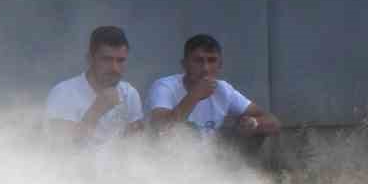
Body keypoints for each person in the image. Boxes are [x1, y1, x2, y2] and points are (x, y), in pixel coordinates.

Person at [147, 34, 281, 139]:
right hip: (165, 162)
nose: (205, 68)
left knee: (253, 136)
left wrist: (254, 123)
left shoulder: (224, 90)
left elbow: (274, 122)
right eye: (198, 61)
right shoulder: (164, 86)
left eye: (212, 61)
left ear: (220, 65)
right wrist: (194, 96)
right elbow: (160, 128)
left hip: (210, 164)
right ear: (184, 64)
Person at [43, 25, 144, 146]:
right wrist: (96, 111)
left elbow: (137, 147)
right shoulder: (63, 93)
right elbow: (59, 147)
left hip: (119, 164)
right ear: (90, 59)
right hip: (75, 164)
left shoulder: (129, 93)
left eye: (120, 61)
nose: (114, 68)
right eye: (107, 60)